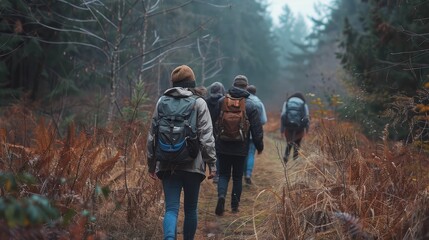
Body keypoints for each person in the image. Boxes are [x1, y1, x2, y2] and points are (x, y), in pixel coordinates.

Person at [146, 65, 217, 240]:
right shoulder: (198, 102)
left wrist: (151, 164)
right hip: (192, 163)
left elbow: (152, 136)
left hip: (167, 163)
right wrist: (212, 164)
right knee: (191, 209)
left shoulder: (162, 102)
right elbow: (206, 136)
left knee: (171, 208)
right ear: (192, 82)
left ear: (174, 82)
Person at [213, 75, 264, 215]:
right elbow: (256, 129)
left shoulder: (221, 101)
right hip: (241, 147)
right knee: (237, 177)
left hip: (222, 145)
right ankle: (234, 207)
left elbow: (213, 123)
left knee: (223, 174)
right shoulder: (250, 105)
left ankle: (221, 196)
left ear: (233, 85)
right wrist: (259, 146)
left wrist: (214, 142)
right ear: (246, 87)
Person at [244, 85, 267, 185]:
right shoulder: (259, 103)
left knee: (243, 153)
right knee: (251, 153)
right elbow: (264, 120)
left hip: (242, 133)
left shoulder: (243, 101)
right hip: (254, 134)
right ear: (255, 92)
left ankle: (241, 172)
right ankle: (248, 174)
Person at [205, 82, 226, 184]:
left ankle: (207, 173)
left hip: (207, 130)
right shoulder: (224, 101)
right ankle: (218, 175)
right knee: (219, 153)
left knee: (207, 151)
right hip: (221, 131)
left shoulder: (206, 101)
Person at [280, 92, 310, 163]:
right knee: (297, 142)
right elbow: (307, 116)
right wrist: (307, 129)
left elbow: (283, 115)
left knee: (289, 141)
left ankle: (286, 155)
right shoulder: (303, 103)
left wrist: (282, 130)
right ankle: (295, 158)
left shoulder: (287, 102)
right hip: (300, 127)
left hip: (288, 125)